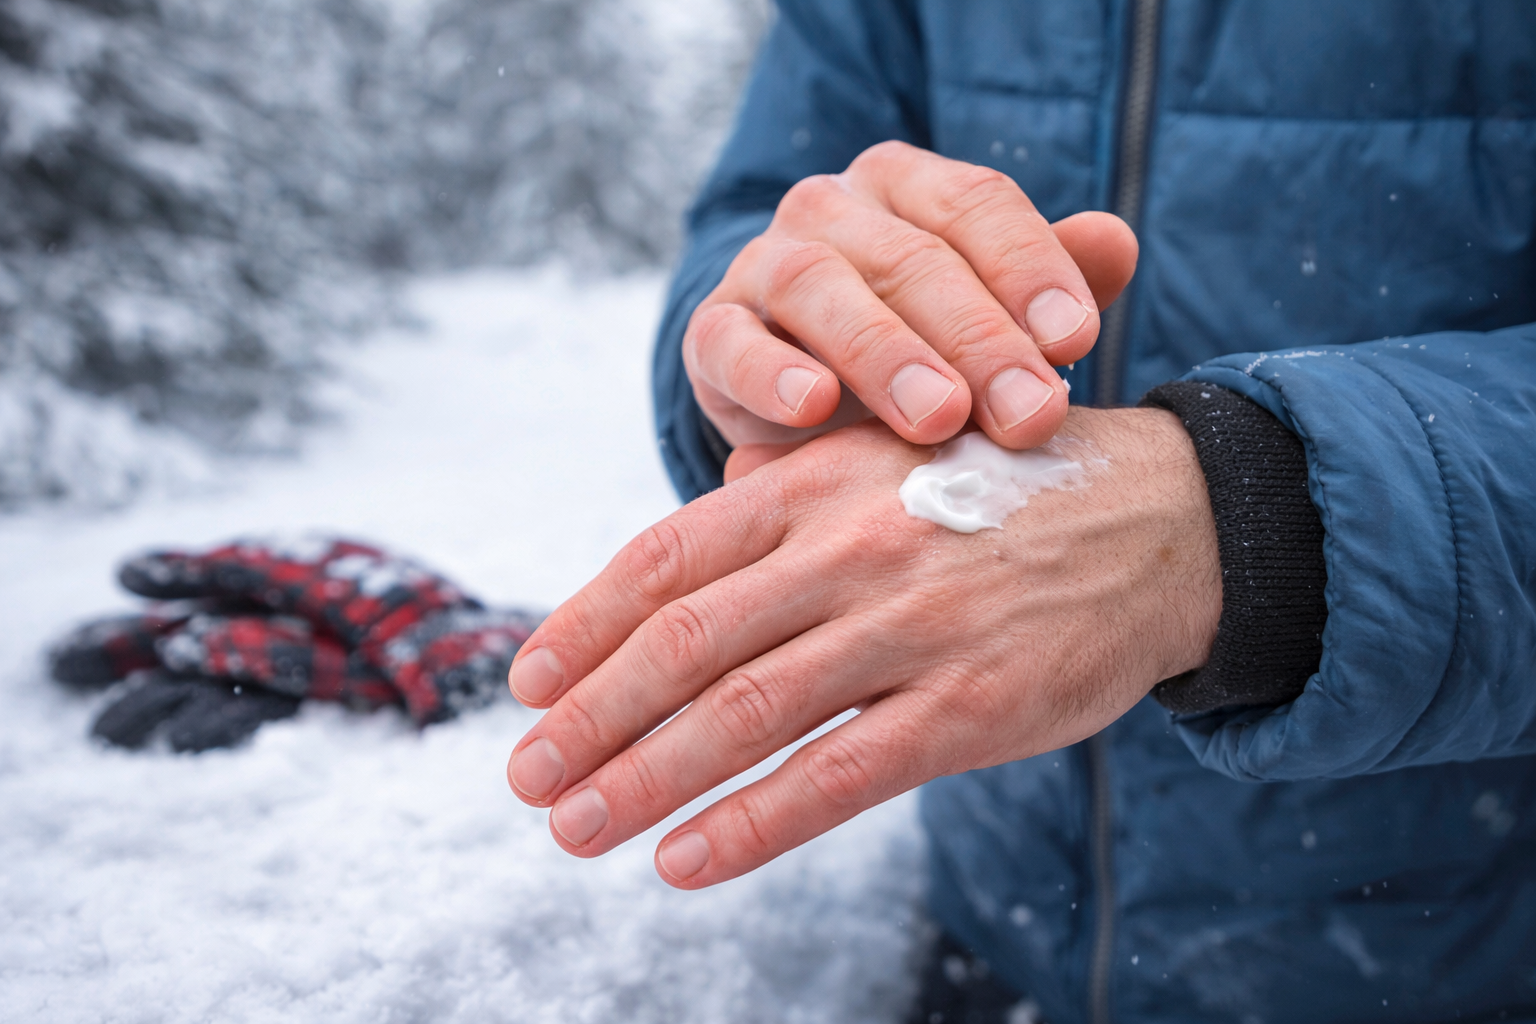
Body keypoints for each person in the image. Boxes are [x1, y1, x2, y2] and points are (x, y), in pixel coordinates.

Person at [506, 3, 1536, 1021]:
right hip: (993, 929)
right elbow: (762, 206)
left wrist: (1249, 515)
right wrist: (775, 347)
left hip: (1442, 959)